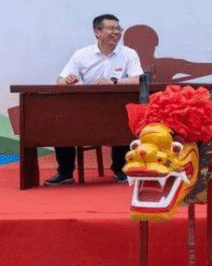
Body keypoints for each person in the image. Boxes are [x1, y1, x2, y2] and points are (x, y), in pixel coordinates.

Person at [44, 13, 143, 186]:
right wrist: (68, 80)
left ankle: (120, 169)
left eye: (118, 28)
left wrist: (113, 82)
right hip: (85, 111)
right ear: (97, 32)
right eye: (111, 28)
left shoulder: (129, 54)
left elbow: (139, 79)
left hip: (116, 109)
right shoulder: (82, 54)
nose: (116, 32)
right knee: (61, 122)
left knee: (126, 117)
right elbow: (60, 80)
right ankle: (65, 172)